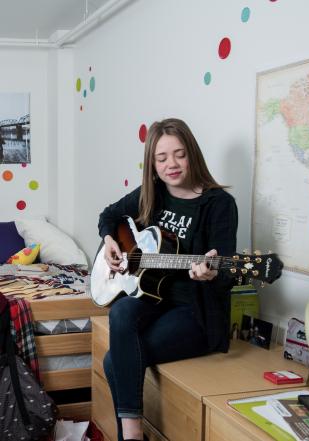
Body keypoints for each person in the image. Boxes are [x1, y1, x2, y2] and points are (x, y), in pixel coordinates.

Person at [98, 118, 238, 441]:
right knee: (120, 313)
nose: (171, 164)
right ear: (153, 164)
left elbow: (227, 274)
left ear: (192, 154)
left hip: (198, 315)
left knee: (112, 361)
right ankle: (134, 436)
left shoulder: (219, 205)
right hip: (157, 299)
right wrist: (109, 241)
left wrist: (212, 273)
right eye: (161, 158)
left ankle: (129, 437)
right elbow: (108, 215)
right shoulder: (153, 194)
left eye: (179, 154)